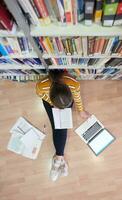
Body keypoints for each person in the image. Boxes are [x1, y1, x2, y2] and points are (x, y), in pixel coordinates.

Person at [36, 70, 90, 181]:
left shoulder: (74, 84)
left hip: (61, 101)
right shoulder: (41, 86)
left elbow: (77, 97)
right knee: (57, 126)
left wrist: (80, 110)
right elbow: (41, 95)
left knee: (61, 125)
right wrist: (52, 103)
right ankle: (58, 159)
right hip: (51, 102)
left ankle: (58, 159)